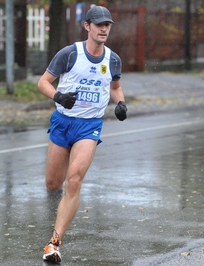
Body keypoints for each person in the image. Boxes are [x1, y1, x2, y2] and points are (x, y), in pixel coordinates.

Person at [37, 5, 127, 263]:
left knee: (73, 181)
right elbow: (42, 82)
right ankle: (63, 205)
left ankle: (54, 243)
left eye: (107, 25)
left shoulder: (113, 59)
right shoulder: (69, 54)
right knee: (53, 183)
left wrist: (120, 103)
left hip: (89, 126)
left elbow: (116, 86)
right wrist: (58, 96)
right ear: (86, 26)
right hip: (63, 122)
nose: (103, 29)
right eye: (98, 24)